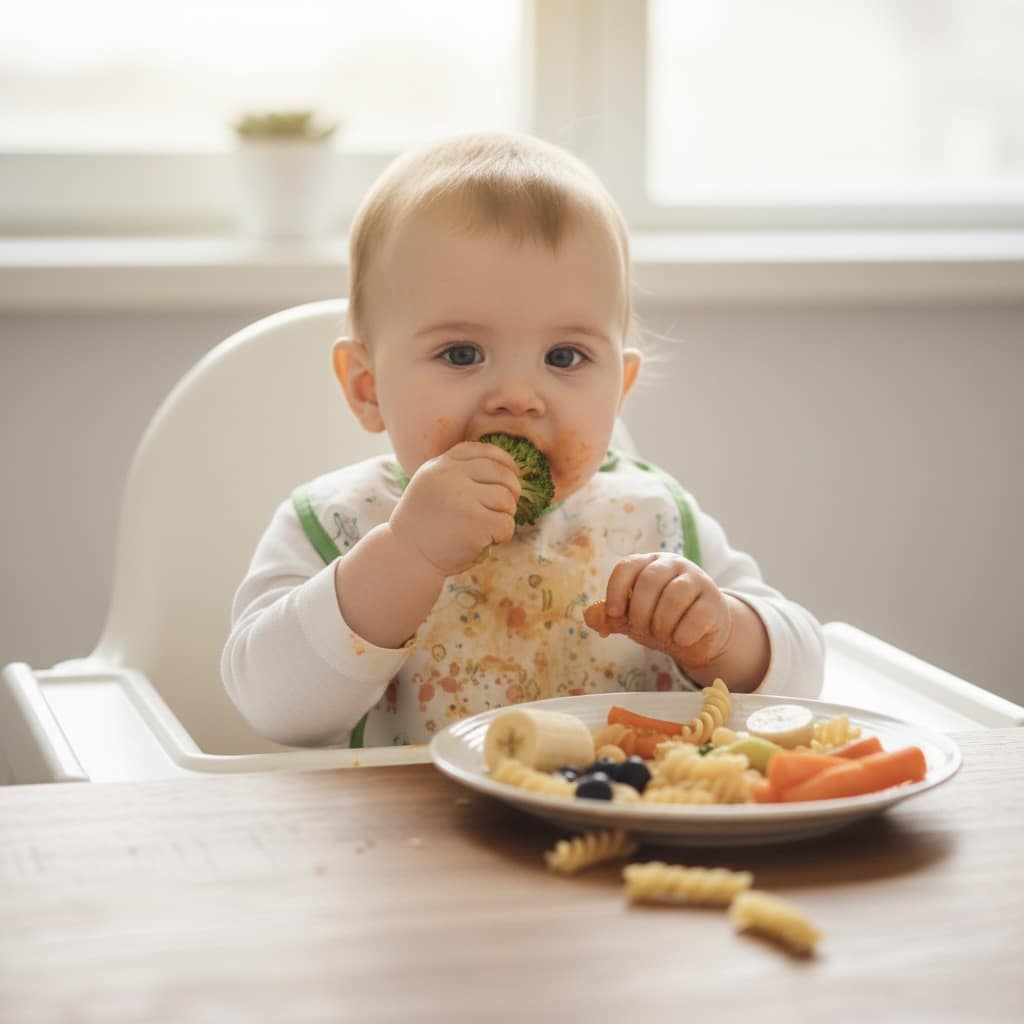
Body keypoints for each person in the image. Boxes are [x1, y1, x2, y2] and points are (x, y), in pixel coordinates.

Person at [221, 131, 824, 748]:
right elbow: (274, 707)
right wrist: (404, 556)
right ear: (367, 388)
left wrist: (722, 634)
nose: (518, 395)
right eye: (462, 353)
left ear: (620, 387)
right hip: (413, 837)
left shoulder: (652, 521)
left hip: (627, 827)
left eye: (564, 356)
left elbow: (802, 680)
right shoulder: (340, 524)